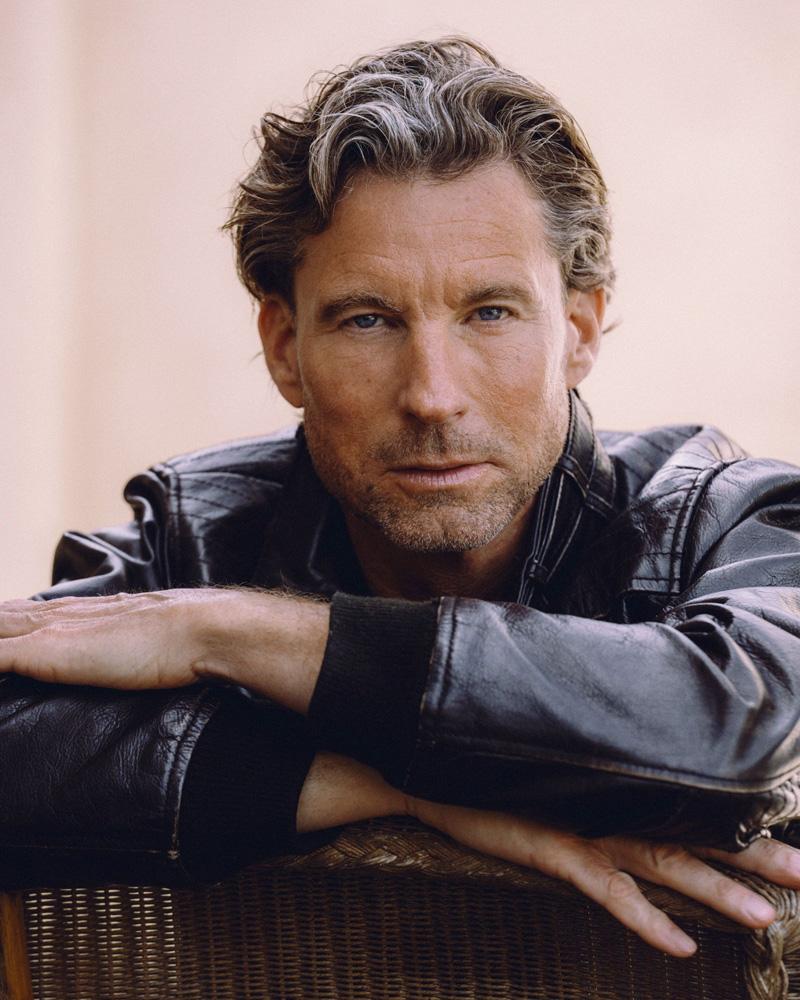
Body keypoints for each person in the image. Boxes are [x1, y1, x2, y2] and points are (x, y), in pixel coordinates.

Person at [2, 37, 800, 960]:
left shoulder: (722, 519)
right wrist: (398, 788)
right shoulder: (195, 536)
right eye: (368, 319)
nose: (432, 395)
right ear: (285, 347)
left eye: (489, 313)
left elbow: (743, 733)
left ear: (580, 329)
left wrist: (232, 632)